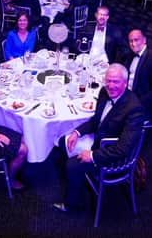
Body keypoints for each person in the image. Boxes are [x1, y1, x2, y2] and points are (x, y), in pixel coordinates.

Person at [53, 64, 145, 213]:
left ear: (125, 83)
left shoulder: (134, 109)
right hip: (99, 139)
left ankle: (74, 204)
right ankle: (79, 180)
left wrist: (92, 156)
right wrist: (77, 132)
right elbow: (96, 121)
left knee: (71, 165)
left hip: (112, 156)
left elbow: (124, 149)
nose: (110, 86)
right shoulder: (104, 92)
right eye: (108, 81)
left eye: (115, 82)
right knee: (64, 142)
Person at [124, 29, 152, 120]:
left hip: (146, 104)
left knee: (117, 116)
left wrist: (136, 103)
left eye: (136, 40)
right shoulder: (130, 55)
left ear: (144, 40)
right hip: (129, 96)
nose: (133, 44)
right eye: (131, 41)